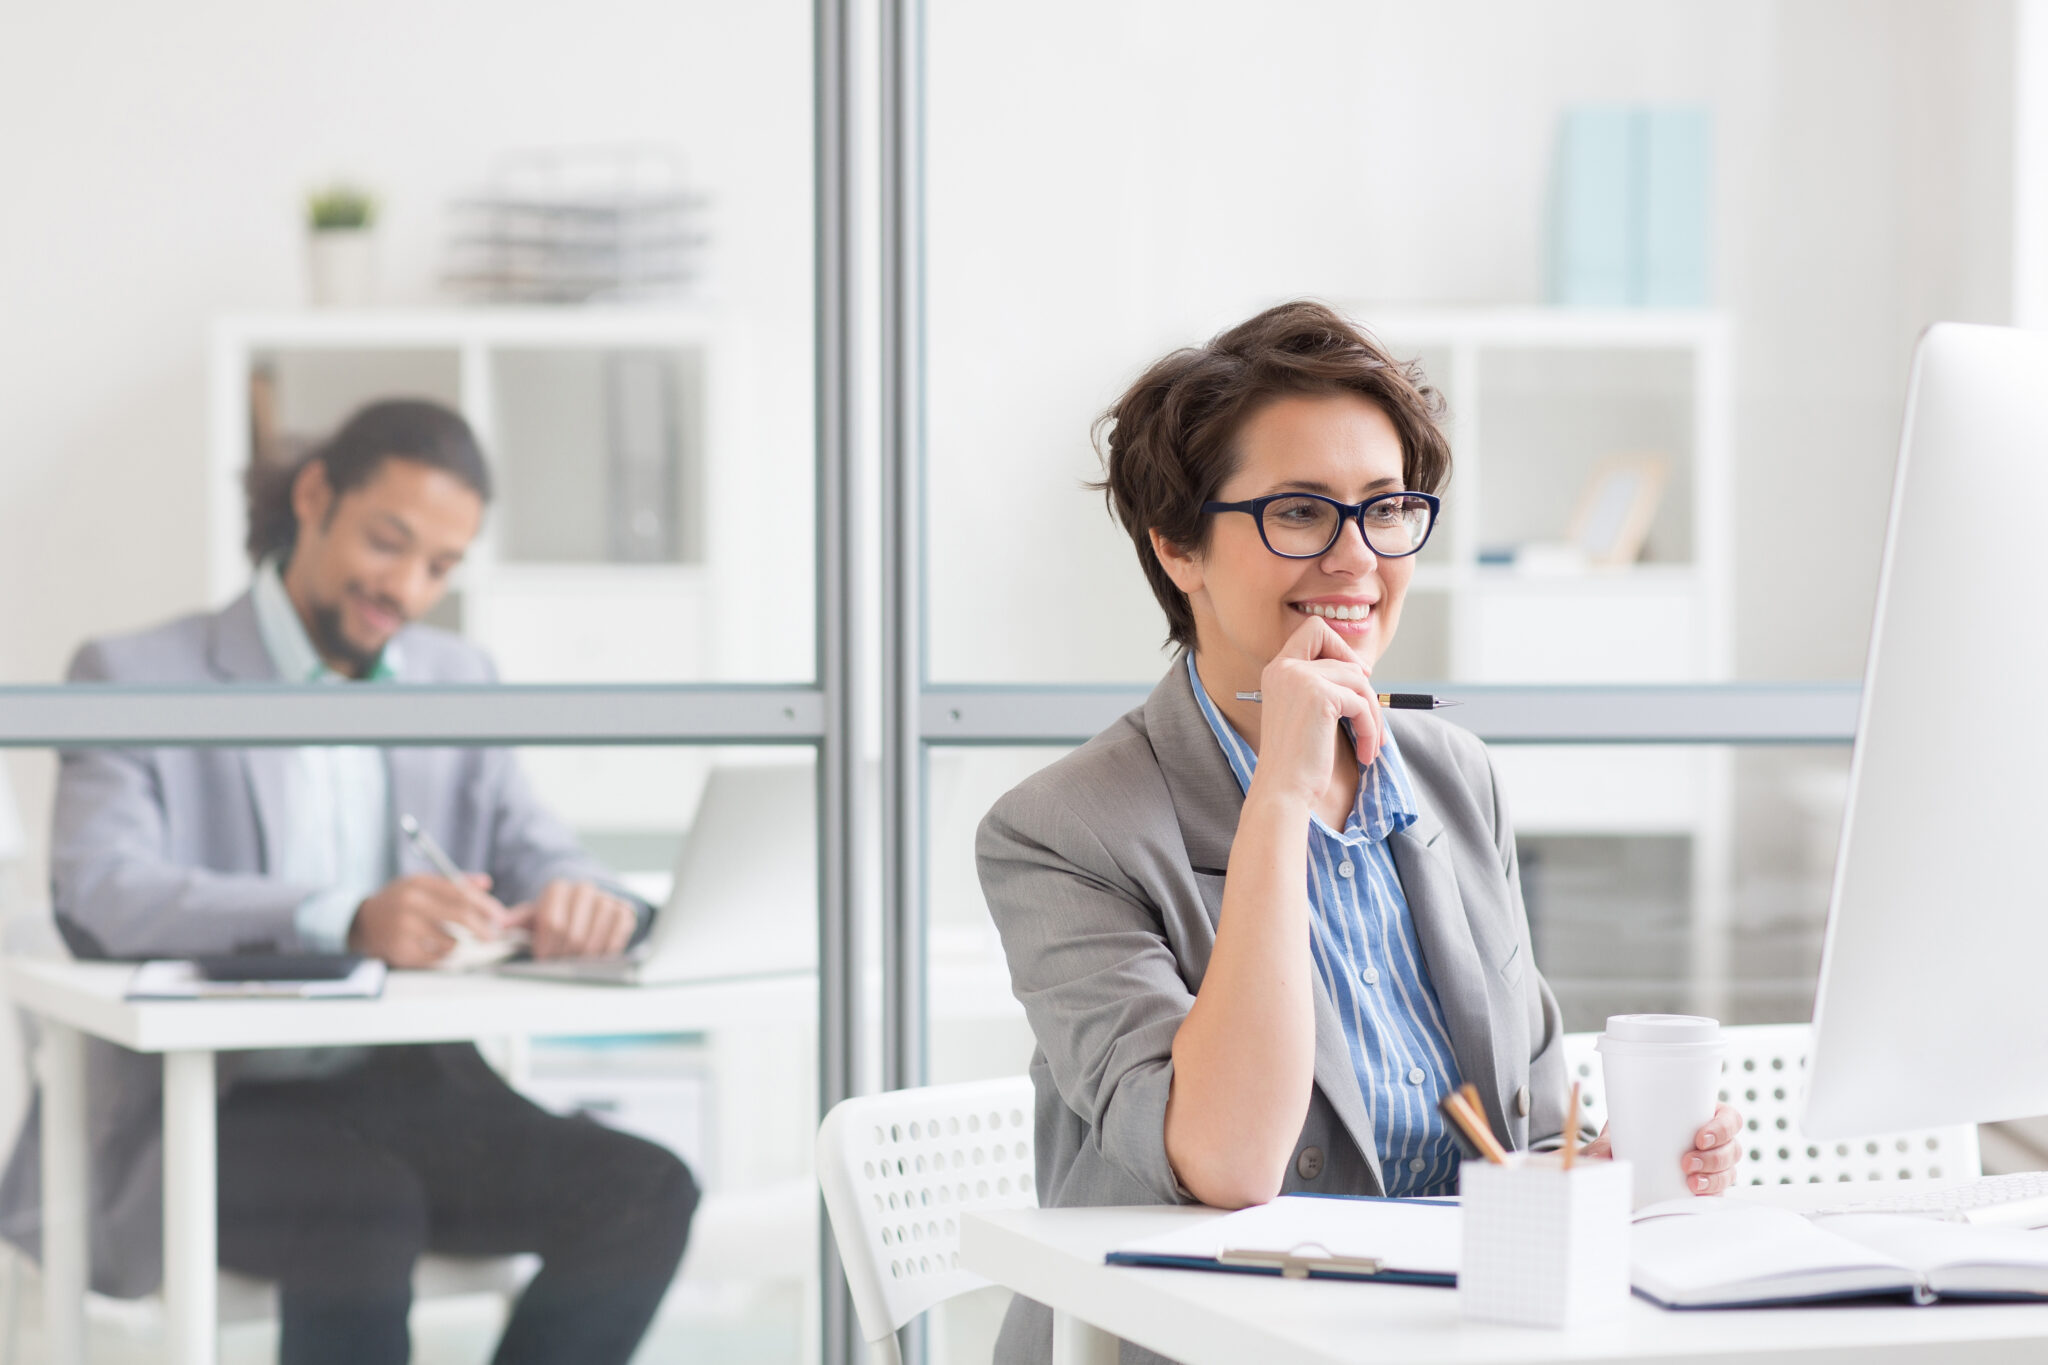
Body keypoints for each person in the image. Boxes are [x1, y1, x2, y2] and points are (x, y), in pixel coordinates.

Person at [975, 302, 1744, 1362]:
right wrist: (1277, 801)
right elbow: (1228, 1161)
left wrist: (1610, 1164)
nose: (1353, 560)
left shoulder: (1450, 778)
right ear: (1175, 545)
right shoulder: (1063, 829)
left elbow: (1518, 1133)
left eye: (1384, 510)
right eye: (1297, 511)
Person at [0, 399, 697, 1365]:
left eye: (440, 568)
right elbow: (106, 889)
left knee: (646, 1188)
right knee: (357, 1207)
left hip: (414, 1084)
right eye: (389, 543)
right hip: (220, 1102)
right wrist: (344, 920)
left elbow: (539, 846)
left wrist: (583, 891)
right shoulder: (133, 672)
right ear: (315, 496)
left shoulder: (456, 677)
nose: (407, 588)